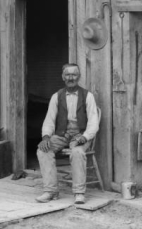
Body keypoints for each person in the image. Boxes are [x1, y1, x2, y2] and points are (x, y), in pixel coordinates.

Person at [35, 63, 99, 204]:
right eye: (68, 75)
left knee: (77, 153)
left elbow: (93, 122)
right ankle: (50, 191)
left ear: (79, 76)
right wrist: (46, 137)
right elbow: (49, 120)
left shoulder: (87, 96)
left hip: (81, 135)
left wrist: (83, 137)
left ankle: (79, 192)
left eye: (74, 74)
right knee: (43, 150)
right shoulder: (56, 96)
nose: (71, 78)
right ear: (63, 77)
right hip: (62, 135)